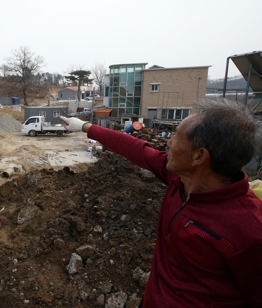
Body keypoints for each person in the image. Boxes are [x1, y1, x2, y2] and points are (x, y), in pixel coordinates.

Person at [59, 99, 262, 308]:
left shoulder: (250, 230)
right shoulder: (179, 179)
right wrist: (85, 126)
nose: (169, 142)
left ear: (199, 156)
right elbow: (137, 149)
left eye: (176, 137)